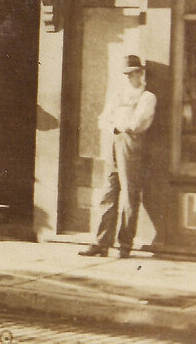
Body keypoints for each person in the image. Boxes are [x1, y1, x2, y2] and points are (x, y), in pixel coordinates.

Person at [80, 54, 157, 259]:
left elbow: (137, 123)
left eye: (133, 73)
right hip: (114, 141)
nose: (129, 77)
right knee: (108, 191)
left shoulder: (147, 97)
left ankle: (125, 244)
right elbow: (103, 119)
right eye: (126, 74)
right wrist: (114, 125)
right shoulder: (118, 95)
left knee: (130, 193)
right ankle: (101, 242)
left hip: (132, 144)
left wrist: (118, 123)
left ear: (141, 73)